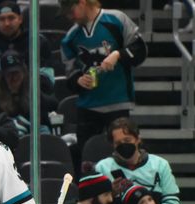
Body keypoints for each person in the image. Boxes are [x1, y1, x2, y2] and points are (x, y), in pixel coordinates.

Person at [60, 0, 147, 156]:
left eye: (70, 10)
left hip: (118, 101)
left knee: (124, 155)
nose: (68, 16)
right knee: (86, 159)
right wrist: (78, 80)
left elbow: (140, 50)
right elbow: (69, 72)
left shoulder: (116, 20)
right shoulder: (70, 37)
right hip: (88, 106)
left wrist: (118, 54)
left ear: (82, 3)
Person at [0, 1, 55, 92]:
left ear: (20, 19)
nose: (7, 23)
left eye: (11, 18)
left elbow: (47, 81)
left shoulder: (38, 41)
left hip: (30, 96)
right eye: (2, 19)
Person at [0, 51, 57, 138]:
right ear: (3, 76)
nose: (14, 78)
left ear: (23, 72)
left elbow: (52, 106)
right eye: (9, 74)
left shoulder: (34, 92)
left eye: (16, 73)